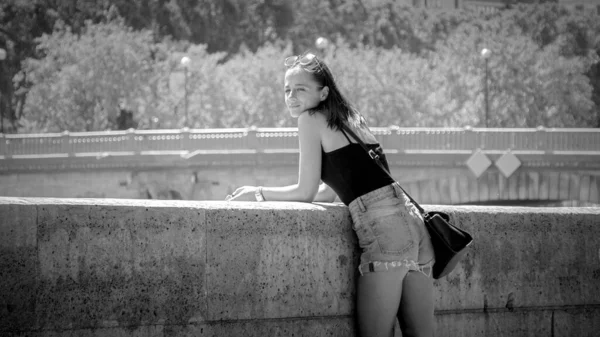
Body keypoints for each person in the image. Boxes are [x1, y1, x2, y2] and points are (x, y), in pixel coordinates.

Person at [226, 52, 435, 337]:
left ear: (323, 92)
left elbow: (305, 191)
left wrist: (258, 193)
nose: (291, 97)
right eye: (287, 90)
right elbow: (331, 192)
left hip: (385, 233)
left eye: (300, 89)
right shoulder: (350, 118)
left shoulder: (311, 119)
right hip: (415, 229)